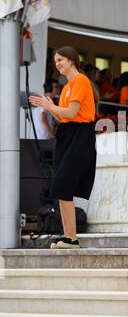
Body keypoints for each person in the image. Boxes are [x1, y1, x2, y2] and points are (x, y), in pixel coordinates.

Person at [29, 46, 96, 249]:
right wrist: (51, 107)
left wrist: (51, 107)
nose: (58, 64)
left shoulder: (81, 81)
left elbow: (73, 111)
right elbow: (63, 116)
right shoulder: (67, 87)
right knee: (60, 188)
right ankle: (69, 237)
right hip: (67, 135)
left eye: (61, 60)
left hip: (80, 136)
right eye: (56, 61)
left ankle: (72, 237)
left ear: (72, 60)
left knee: (65, 185)